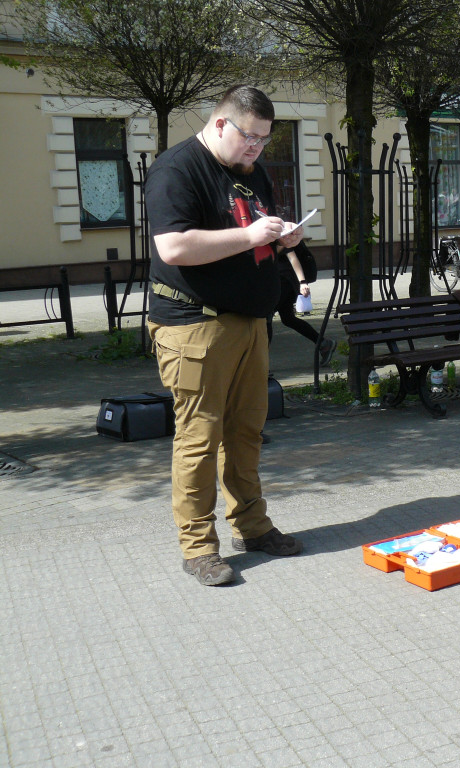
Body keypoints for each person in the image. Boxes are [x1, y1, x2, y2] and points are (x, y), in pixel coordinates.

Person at [146, 85, 304, 587]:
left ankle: (252, 528)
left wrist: (282, 239)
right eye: (250, 137)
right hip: (194, 327)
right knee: (198, 439)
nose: (257, 149)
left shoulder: (251, 174)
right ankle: (198, 548)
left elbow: (253, 239)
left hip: (249, 325)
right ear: (219, 125)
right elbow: (173, 246)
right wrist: (251, 236)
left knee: (245, 434)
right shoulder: (177, 168)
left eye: (264, 141)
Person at [268, 242, 337, 367]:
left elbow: (292, 257)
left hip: (284, 281)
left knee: (266, 318)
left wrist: (303, 282)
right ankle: (323, 344)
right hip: (282, 280)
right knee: (288, 318)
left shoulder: (279, 233)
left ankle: (261, 364)